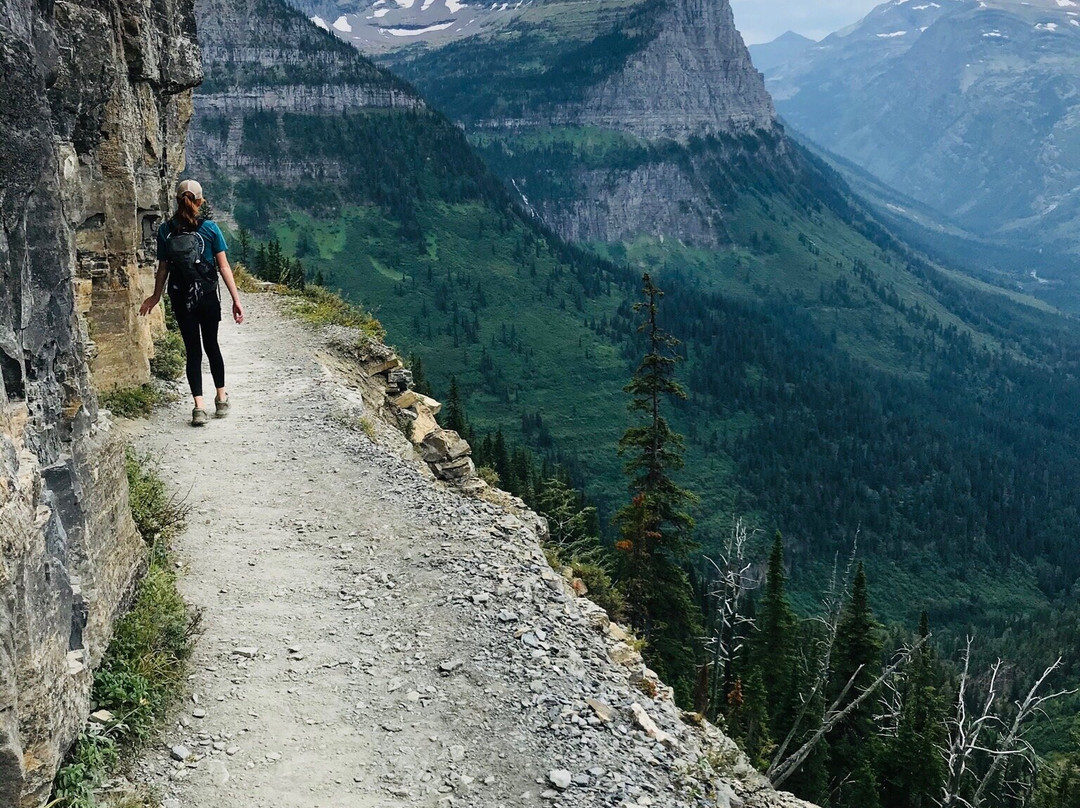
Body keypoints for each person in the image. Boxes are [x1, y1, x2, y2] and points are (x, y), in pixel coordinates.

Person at [140, 180, 244, 426]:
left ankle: (199, 407)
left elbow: (163, 268)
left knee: (193, 352)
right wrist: (236, 300)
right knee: (212, 346)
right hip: (207, 296)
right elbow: (224, 266)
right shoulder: (210, 229)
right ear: (200, 201)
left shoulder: (166, 230)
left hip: (181, 297)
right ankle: (220, 398)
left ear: (177, 200)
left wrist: (155, 297)